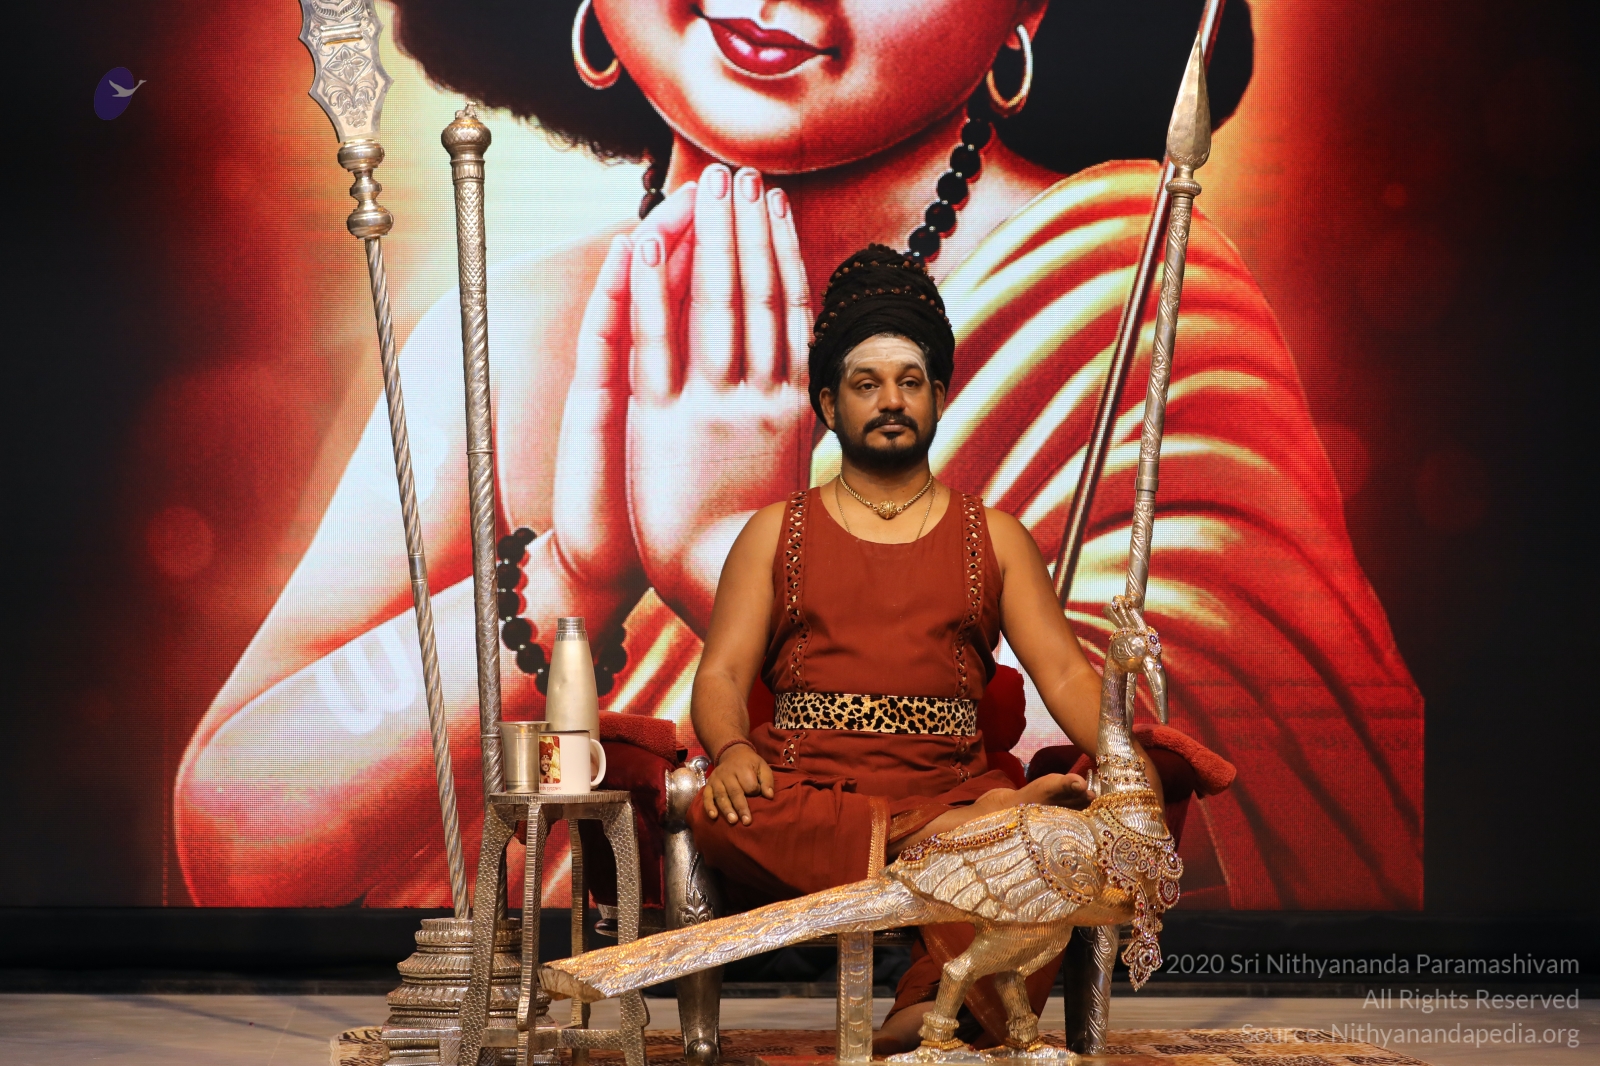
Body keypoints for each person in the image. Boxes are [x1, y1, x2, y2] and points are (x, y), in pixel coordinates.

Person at [173, 0, 1422, 914]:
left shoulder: (1121, 306)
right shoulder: (520, 332)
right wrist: (569, 581)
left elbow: (1132, 845)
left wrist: (730, 562)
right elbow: (240, 837)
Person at [687, 245, 1171, 1050]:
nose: (891, 401)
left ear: (939, 398)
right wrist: (733, 748)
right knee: (720, 812)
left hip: (949, 783)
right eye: (866, 384)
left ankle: (928, 1011)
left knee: (1066, 839)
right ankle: (967, 841)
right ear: (829, 403)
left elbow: (1063, 673)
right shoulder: (775, 531)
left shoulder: (997, 537)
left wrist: (1125, 759)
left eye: (910, 382)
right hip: (811, 793)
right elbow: (723, 673)